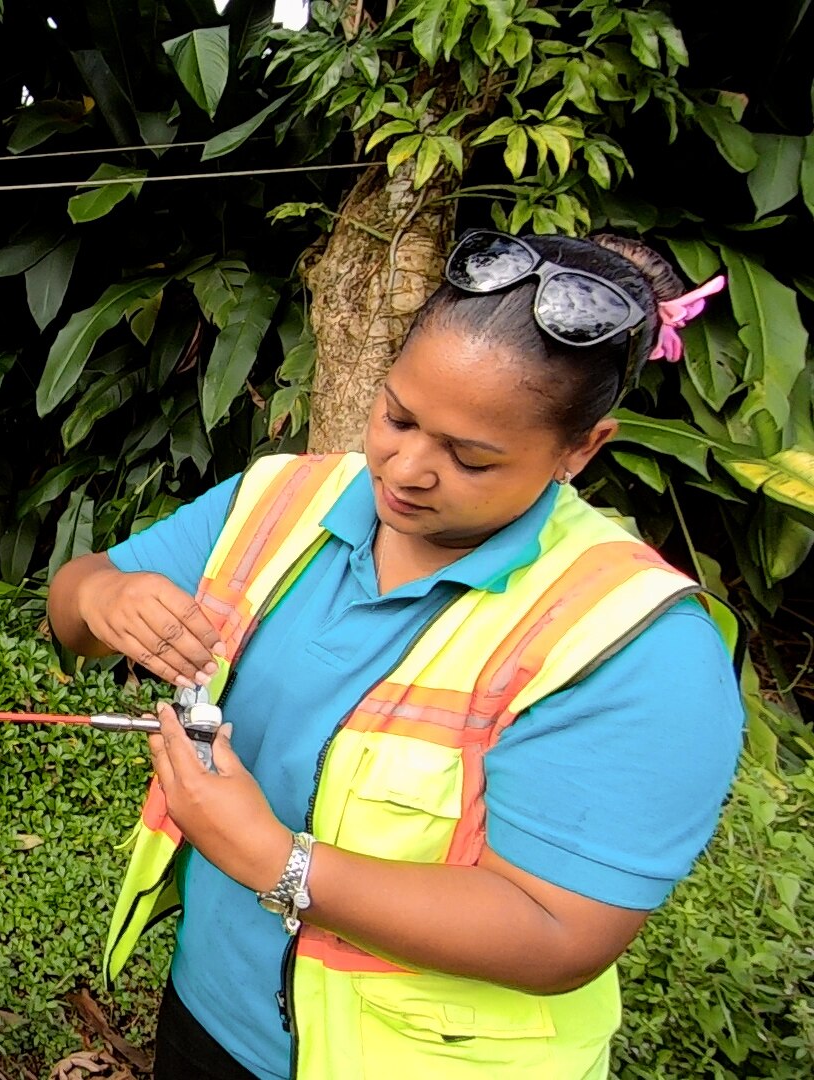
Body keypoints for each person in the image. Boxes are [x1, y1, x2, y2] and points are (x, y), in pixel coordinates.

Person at [48, 230, 743, 1079]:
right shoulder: (283, 498)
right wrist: (102, 598)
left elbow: (561, 932)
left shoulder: (636, 644)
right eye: (398, 416)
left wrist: (279, 863)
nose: (406, 468)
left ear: (581, 450)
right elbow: (75, 602)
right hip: (210, 1014)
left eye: (469, 456)